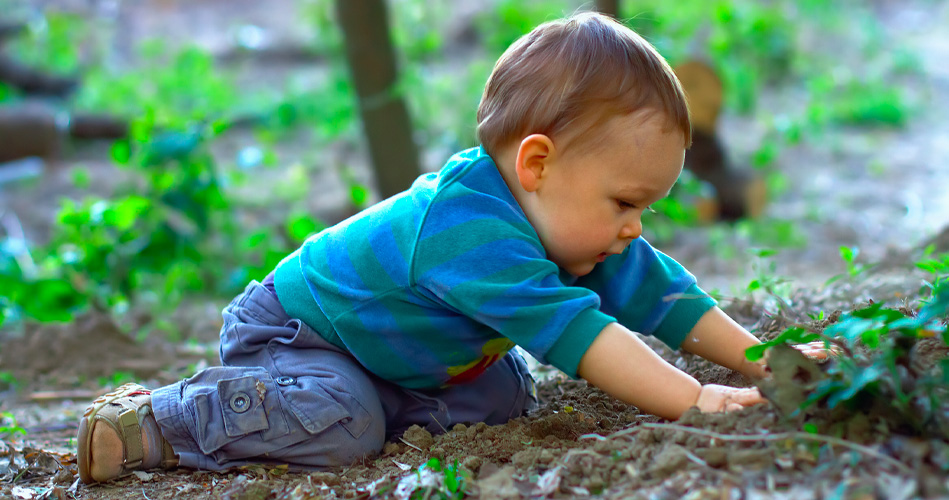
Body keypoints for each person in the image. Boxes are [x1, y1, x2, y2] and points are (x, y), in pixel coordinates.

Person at [76, 12, 828, 484]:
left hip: (396, 347)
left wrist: (758, 359)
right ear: (536, 164)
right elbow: (583, 337)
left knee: (505, 394)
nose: (635, 226)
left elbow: (660, 291)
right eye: (625, 203)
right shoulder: (470, 231)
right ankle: (162, 419)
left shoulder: (573, 220)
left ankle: (382, 394)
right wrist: (694, 399)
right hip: (297, 334)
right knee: (345, 426)